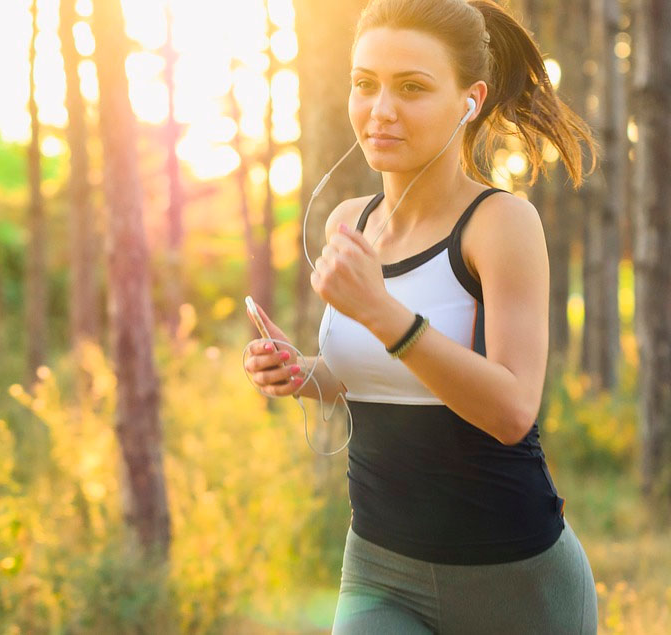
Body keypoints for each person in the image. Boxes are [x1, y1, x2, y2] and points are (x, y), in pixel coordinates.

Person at [243, 0, 599, 631]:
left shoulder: (499, 225)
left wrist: (382, 313)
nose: (381, 110)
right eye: (365, 84)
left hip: (514, 579)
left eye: (412, 88)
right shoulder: (347, 222)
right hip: (380, 569)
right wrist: (303, 372)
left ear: (471, 99)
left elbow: (513, 410)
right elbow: (373, 375)